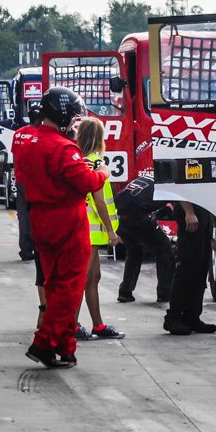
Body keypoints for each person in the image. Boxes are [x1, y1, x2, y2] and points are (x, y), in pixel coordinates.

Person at [18, 86, 106, 369]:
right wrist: (101, 173)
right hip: (66, 218)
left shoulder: (28, 141)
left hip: (40, 217)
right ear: (65, 114)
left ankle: (66, 347)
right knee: (69, 286)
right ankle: (44, 343)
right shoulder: (64, 147)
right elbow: (85, 182)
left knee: (54, 283)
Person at [74, 117, 125, 341]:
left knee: (93, 277)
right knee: (84, 279)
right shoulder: (95, 163)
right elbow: (100, 201)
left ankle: (98, 325)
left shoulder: (81, 160)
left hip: (87, 229)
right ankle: (72, 325)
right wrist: (111, 231)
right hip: (91, 231)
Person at [115, 176, 175, 305]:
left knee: (134, 250)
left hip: (118, 216)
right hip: (137, 215)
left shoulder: (143, 179)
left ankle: (125, 292)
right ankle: (165, 293)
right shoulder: (165, 187)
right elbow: (169, 208)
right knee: (164, 249)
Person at [162, 200, 216, 336]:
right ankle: (173, 317)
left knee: (200, 269)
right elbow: (182, 188)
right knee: (187, 269)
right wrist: (189, 211)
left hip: (202, 213)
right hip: (190, 210)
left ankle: (192, 316)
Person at [12, 105, 41, 262]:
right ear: (38, 119)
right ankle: (38, 248)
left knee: (23, 215)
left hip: (20, 178)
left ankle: (25, 250)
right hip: (34, 180)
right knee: (37, 214)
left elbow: (15, 156)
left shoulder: (18, 133)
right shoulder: (38, 134)